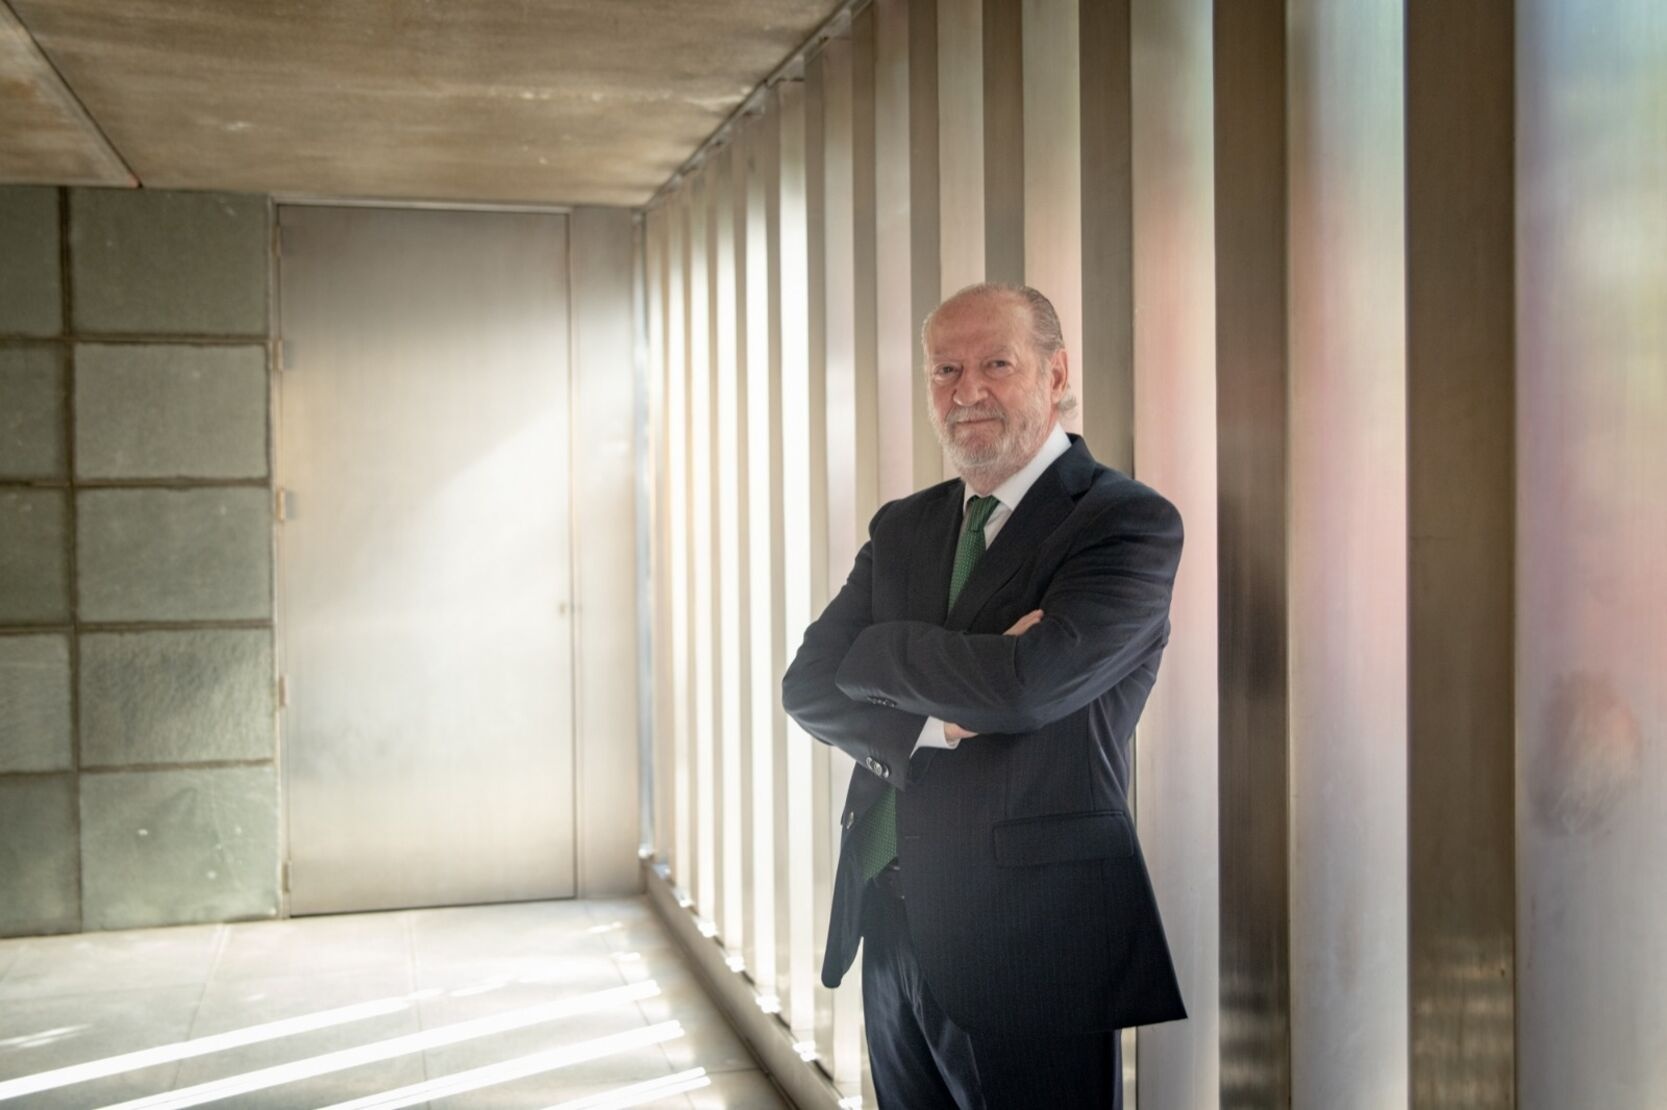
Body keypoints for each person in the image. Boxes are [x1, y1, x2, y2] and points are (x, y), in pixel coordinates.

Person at [781, 283, 1186, 1108]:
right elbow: (809, 685)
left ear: (1055, 373)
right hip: (889, 917)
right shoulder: (905, 525)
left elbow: (1023, 689)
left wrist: (878, 651)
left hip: (1032, 938)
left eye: (995, 364)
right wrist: (931, 720)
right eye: (945, 370)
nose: (966, 390)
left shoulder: (1123, 523)